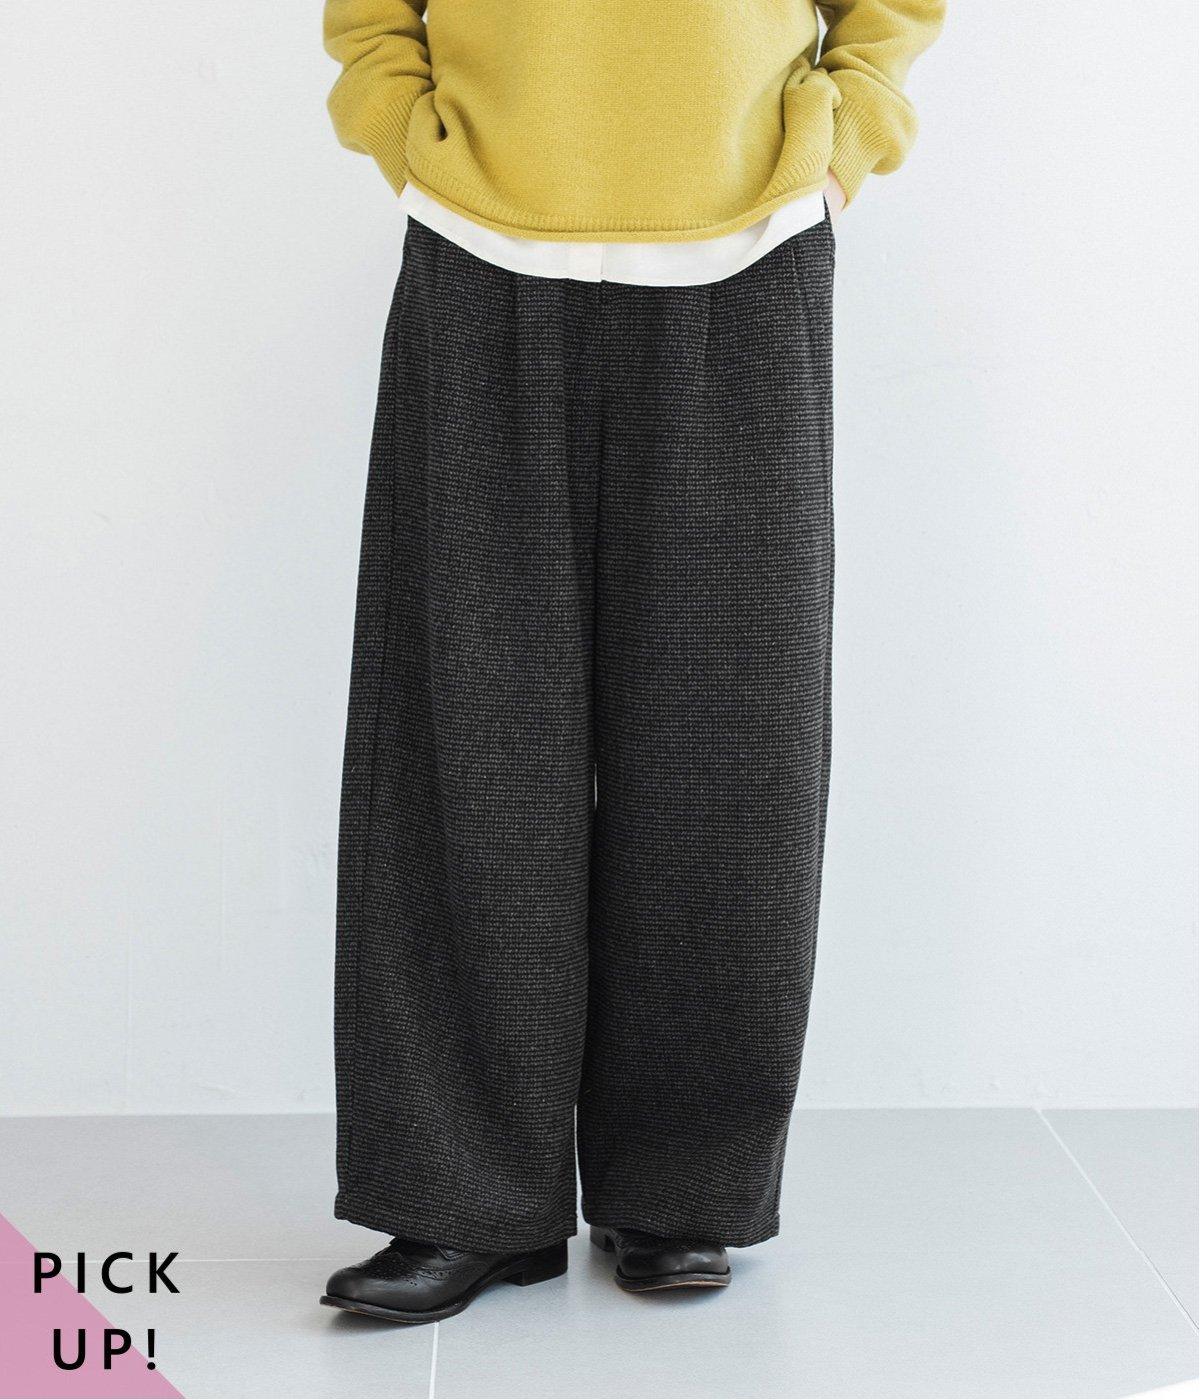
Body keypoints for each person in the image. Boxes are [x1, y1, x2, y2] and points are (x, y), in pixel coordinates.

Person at [318, 0, 943, 1325]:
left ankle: (683, 1185)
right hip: (479, 234)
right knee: (468, 734)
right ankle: (464, 1196)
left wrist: (842, 142)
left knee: (728, 744)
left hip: (750, 237)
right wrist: (408, 134)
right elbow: (369, 15)